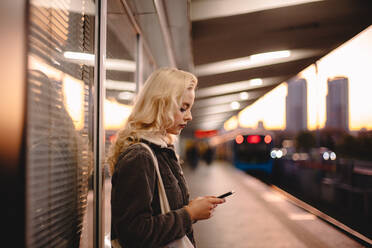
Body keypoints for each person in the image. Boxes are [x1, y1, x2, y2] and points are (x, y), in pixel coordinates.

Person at [107, 68, 225, 248]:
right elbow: (133, 233)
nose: (190, 116)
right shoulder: (140, 157)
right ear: (160, 105)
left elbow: (159, 213)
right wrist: (189, 214)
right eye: (183, 108)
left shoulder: (161, 149)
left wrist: (192, 208)